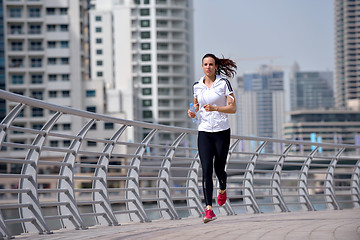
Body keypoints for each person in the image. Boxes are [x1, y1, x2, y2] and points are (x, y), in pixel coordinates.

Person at [188, 53, 237, 223]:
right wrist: (193, 112)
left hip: (222, 131)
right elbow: (196, 106)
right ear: (202, 66)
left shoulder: (223, 83)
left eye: (211, 64)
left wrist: (216, 108)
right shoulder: (197, 86)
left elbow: (233, 108)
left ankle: (222, 188)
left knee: (219, 169)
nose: (208, 67)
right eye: (205, 64)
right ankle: (208, 210)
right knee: (206, 169)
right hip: (204, 132)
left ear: (216, 66)